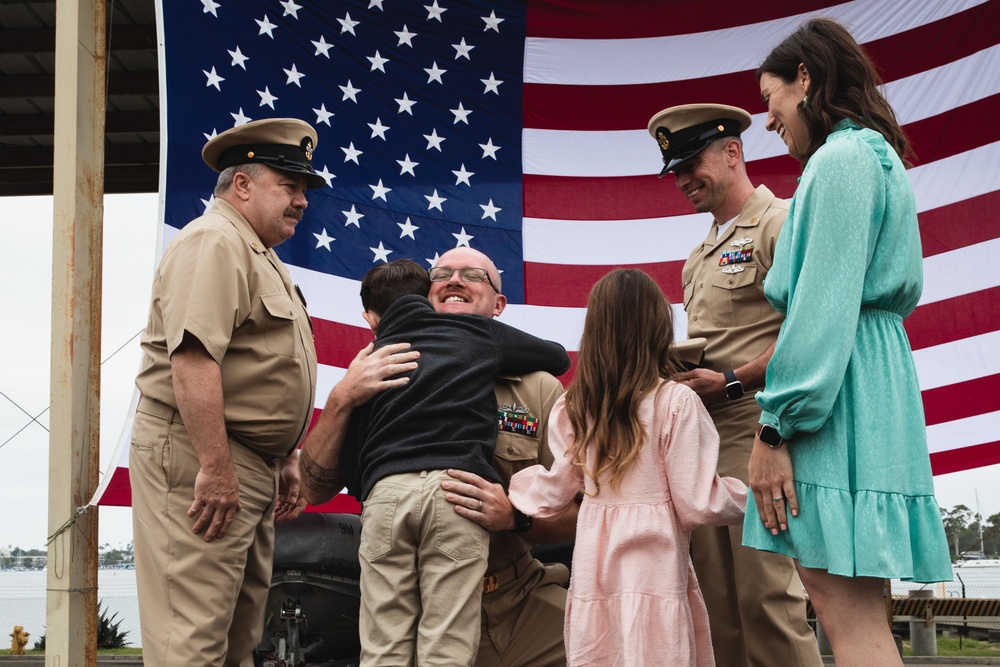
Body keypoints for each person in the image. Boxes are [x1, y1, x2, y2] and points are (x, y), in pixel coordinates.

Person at [744, 18, 953, 666]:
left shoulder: (840, 160)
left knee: (842, 610)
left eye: (771, 98)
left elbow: (821, 309)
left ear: (805, 78)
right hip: (871, 385)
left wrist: (775, 429)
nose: (770, 119)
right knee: (858, 610)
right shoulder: (874, 156)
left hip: (839, 396)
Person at [300, 246, 577, 667]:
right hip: (419, 606)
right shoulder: (375, 372)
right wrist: (341, 399)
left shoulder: (539, 388)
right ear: (423, 296)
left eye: (473, 275)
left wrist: (517, 518)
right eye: (442, 273)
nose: (454, 279)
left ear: (499, 305)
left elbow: (586, 510)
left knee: (611, 646)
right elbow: (313, 491)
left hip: (517, 600)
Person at [129, 117, 326, 666]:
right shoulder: (216, 240)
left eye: (303, 190)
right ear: (242, 184)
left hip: (245, 463)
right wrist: (215, 467)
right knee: (190, 644)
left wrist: (283, 456)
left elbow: (258, 368)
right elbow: (193, 358)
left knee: (235, 641)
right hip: (203, 455)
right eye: (289, 186)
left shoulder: (257, 253)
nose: (301, 201)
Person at [646, 103, 823, 666]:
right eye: (674, 170)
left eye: (691, 162)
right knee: (717, 606)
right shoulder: (696, 258)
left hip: (762, 430)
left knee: (766, 598)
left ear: (732, 151)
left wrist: (732, 383)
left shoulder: (782, 222)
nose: (682, 179)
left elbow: (809, 332)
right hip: (703, 440)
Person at [508, 268, 747, 666]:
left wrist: (513, 488)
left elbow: (553, 493)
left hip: (594, 566)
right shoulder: (676, 401)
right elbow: (698, 501)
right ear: (657, 328)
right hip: (655, 567)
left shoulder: (576, 405)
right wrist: (752, 497)